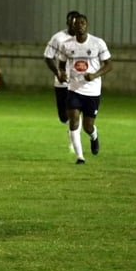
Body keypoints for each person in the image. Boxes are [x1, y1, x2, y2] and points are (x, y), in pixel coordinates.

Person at [57, 14, 112, 165]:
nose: (79, 25)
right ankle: (80, 157)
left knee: (88, 126)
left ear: (86, 25)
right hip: (74, 89)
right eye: (76, 23)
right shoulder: (66, 45)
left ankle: (94, 136)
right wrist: (61, 73)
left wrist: (94, 75)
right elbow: (61, 64)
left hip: (92, 91)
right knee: (73, 121)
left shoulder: (97, 43)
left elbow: (109, 65)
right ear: (72, 26)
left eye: (82, 23)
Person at [43, 10, 80, 151]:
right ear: (67, 23)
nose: (74, 25)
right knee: (64, 116)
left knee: (75, 111)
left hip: (78, 82)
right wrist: (57, 72)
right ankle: (71, 126)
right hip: (61, 82)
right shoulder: (58, 38)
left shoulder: (85, 40)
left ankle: (74, 141)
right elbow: (48, 56)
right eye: (72, 22)